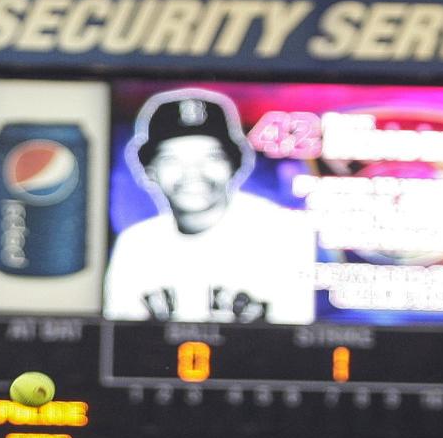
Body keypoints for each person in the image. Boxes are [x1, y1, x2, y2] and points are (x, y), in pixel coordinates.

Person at [103, 88, 317, 324]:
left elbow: (295, 343)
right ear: (149, 171)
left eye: (211, 157)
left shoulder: (282, 233)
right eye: (171, 159)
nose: (193, 173)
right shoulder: (134, 245)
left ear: (235, 165)